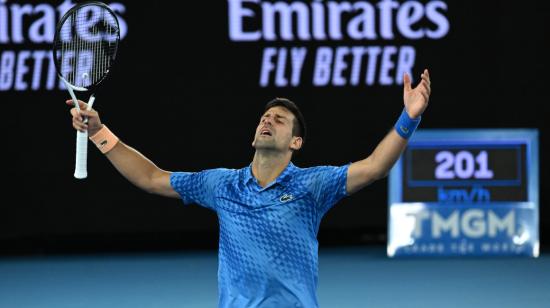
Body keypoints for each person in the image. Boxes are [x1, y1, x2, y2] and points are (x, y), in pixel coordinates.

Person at [68, 70, 431, 308]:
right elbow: (150, 178)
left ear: (296, 143)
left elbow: (375, 167)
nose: (267, 121)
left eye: (279, 120)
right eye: (264, 117)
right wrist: (100, 132)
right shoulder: (221, 184)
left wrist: (408, 117)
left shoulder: (313, 184)